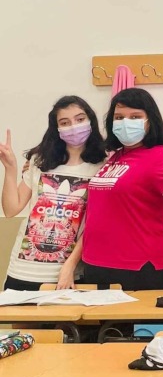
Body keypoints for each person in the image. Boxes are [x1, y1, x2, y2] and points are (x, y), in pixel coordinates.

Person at [81, 88, 163, 289]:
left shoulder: (161, 156)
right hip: (97, 265)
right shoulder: (115, 157)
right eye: (118, 117)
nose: (125, 122)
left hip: (142, 268)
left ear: (150, 121)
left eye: (135, 116)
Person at [1, 96, 106, 290]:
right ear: (56, 128)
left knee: (64, 321)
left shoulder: (104, 164)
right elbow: (11, 209)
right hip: (23, 267)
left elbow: (94, 223)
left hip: (67, 271)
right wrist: (10, 168)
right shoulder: (40, 160)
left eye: (80, 119)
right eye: (64, 123)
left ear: (90, 120)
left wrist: (70, 266)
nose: (73, 127)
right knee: (21, 320)